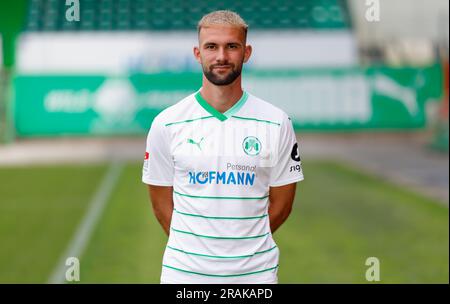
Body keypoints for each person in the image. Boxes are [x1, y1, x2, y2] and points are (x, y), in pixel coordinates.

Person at [142, 10, 304, 284]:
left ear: (246, 52)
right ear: (197, 53)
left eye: (232, 46)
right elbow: (160, 204)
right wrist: (199, 252)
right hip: (185, 276)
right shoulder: (166, 123)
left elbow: (283, 204)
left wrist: (242, 249)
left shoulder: (277, 122)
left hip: (255, 277)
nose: (221, 57)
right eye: (211, 47)